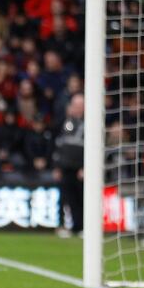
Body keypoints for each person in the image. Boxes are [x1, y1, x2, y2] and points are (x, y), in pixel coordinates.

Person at [53, 93, 85, 237]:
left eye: (80, 105)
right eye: (75, 105)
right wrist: (57, 166)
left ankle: (81, 227)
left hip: (81, 169)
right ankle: (65, 226)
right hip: (66, 167)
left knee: (82, 198)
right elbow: (59, 145)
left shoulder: (91, 124)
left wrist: (86, 167)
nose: (77, 108)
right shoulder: (66, 123)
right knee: (65, 198)